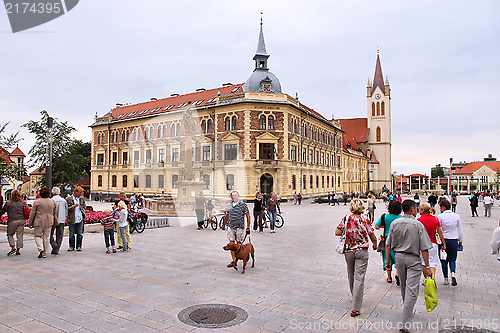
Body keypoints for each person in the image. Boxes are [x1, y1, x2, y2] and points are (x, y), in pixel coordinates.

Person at [385, 199, 432, 333]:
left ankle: (407, 309)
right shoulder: (417, 225)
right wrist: (427, 266)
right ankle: (404, 322)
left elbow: (388, 243)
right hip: (413, 258)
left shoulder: (395, 223)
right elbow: (424, 248)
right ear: (412, 209)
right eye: (416, 208)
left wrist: (388, 261)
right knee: (412, 289)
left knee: (404, 286)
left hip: (399, 257)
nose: (417, 210)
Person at [335, 199, 377, 318]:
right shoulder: (365, 219)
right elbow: (372, 234)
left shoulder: (346, 218)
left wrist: (346, 231)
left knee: (351, 274)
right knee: (359, 277)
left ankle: (355, 296)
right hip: (362, 251)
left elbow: (337, 232)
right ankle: (355, 307)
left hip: (349, 250)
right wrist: (375, 244)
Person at [221, 191, 251, 268]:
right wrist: (224, 224)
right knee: (231, 244)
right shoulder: (229, 205)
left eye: (235, 195)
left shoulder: (243, 205)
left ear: (238, 196)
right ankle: (234, 260)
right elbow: (227, 215)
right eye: (233, 196)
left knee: (238, 244)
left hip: (239, 227)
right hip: (231, 226)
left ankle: (243, 256)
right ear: (231, 197)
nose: (234, 197)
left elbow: (248, 215)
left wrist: (248, 227)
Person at [375, 200, 402, 285]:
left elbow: (376, 226)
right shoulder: (401, 218)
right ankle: (397, 273)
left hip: (386, 240)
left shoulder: (384, 216)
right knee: (397, 257)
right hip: (397, 240)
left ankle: (389, 277)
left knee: (387, 258)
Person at [437, 199, 463, 286]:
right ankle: (453, 274)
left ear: (443, 207)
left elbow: (438, 230)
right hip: (453, 239)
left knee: (443, 259)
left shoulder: (440, 217)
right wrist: (460, 241)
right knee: (452, 259)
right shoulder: (456, 216)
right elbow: (460, 230)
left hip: (443, 240)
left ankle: (445, 278)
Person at [417, 203, 446, 278]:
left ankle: (427, 279)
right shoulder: (435, 219)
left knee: (424, 263)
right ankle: (432, 277)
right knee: (433, 263)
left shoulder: (419, 220)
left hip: (422, 245)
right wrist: (444, 243)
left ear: (423, 210)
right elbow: (439, 231)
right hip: (433, 244)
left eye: (419, 209)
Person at [29, 187, 57, 259]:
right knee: (46, 237)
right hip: (49, 221)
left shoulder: (37, 202)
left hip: (39, 221)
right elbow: (54, 212)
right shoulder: (52, 202)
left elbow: (32, 213)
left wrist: (30, 222)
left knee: (37, 236)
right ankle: (45, 253)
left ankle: (40, 248)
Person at [1, 189, 26, 256]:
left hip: (12, 220)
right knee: (20, 235)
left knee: (10, 234)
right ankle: (18, 249)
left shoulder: (8, 202)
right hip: (21, 220)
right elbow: (27, 210)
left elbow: (3, 211)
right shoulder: (23, 202)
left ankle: (13, 247)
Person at [66, 186, 86, 251]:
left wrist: (83, 212)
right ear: (75, 192)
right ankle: (71, 246)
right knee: (71, 233)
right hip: (72, 218)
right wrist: (73, 206)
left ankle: (79, 246)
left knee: (79, 233)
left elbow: (84, 206)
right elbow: (66, 209)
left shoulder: (81, 198)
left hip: (80, 217)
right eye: (80, 192)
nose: (81, 194)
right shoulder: (69, 198)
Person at [50, 187, 68, 255]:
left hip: (53, 220)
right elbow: (66, 210)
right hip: (61, 219)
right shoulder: (63, 200)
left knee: (50, 233)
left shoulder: (51, 200)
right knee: (60, 234)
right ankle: (57, 248)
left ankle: (53, 244)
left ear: (52, 193)